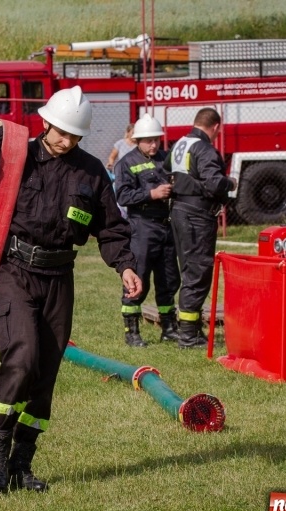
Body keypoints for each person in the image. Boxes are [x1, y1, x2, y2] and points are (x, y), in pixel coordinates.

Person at [0, 86, 143, 493]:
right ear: (45, 123)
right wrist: (2, 138)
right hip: (14, 272)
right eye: (61, 132)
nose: (66, 141)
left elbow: (111, 227)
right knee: (22, 358)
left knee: (44, 375)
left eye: (74, 135)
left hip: (59, 278)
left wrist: (126, 265)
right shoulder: (18, 155)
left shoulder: (91, 172)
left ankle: (20, 464)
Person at [164, 107, 237, 348]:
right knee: (197, 273)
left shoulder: (180, 144)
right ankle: (188, 336)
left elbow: (166, 169)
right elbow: (214, 183)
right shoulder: (204, 148)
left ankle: (192, 330)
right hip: (197, 217)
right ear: (215, 127)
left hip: (179, 212)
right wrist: (230, 183)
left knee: (190, 271)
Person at [114, 114, 180, 347]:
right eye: (148, 140)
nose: (154, 145)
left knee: (169, 279)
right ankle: (132, 332)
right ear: (137, 140)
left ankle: (169, 328)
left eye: (156, 140)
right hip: (142, 227)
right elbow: (122, 196)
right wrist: (151, 194)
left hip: (166, 226)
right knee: (138, 278)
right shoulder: (126, 163)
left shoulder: (166, 158)